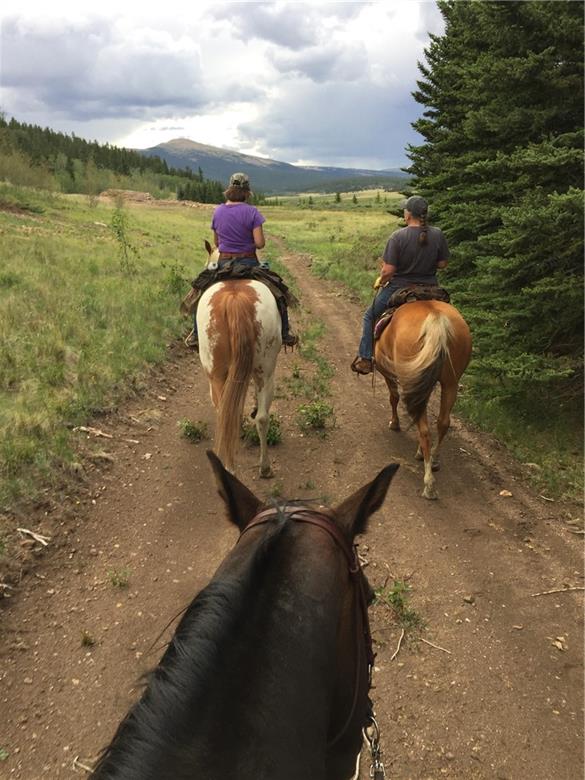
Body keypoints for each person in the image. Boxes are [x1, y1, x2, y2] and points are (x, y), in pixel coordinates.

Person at [185, 172, 297, 349]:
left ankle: (196, 335)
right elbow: (260, 243)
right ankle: (284, 332)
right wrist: (247, 241)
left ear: (229, 190)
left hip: (223, 264)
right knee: (279, 294)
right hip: (249, 264)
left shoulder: (218, 211)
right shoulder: (252, 212)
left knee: (201, 292)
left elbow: (216, 243)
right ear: (246, 192)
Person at [350, 195, 449, 375]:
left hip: (399, 287)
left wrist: (383, 278)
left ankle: (365, 358)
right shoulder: (438, 234)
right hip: (432, 288)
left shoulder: (398, 236)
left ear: (408, 214)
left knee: (369, 316)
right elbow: (442, 264)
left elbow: (388, 270)